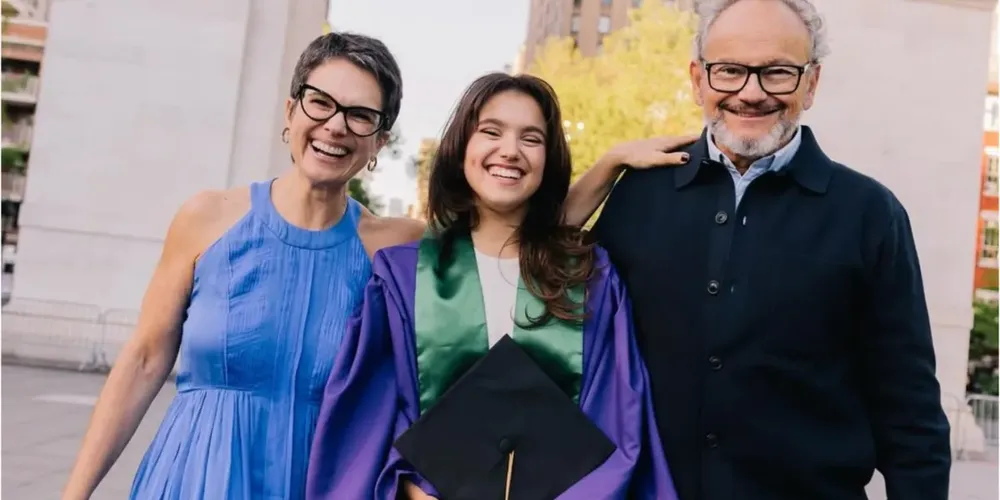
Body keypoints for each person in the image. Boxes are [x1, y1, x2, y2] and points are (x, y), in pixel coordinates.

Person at [583, 0, 953, 499]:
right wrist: (604, 167)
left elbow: (910, 412)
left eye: (777, 72)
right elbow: (540, 287)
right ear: (697, 80)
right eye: (730, 71)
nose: (751, 93)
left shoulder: (871, 215)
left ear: (811, 83)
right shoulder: (636, 195)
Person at [61, 32, 425, 500]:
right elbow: (144, 361)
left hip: (317, 484)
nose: (336, 125)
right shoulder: (206, 219)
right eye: (321, 102)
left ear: (380, 140)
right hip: (195, 478)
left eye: (360, 115)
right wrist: (74, 494)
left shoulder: (396, 250)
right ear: (291, 111)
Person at [305, 73, 680, 500]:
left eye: (531, 138)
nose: (510, 151)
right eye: (491, 131)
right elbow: (369, 423)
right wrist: (411, 488)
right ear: (462, 146)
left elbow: (618, 422)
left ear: (548, 158)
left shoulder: (591, 280)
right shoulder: (403, 279)